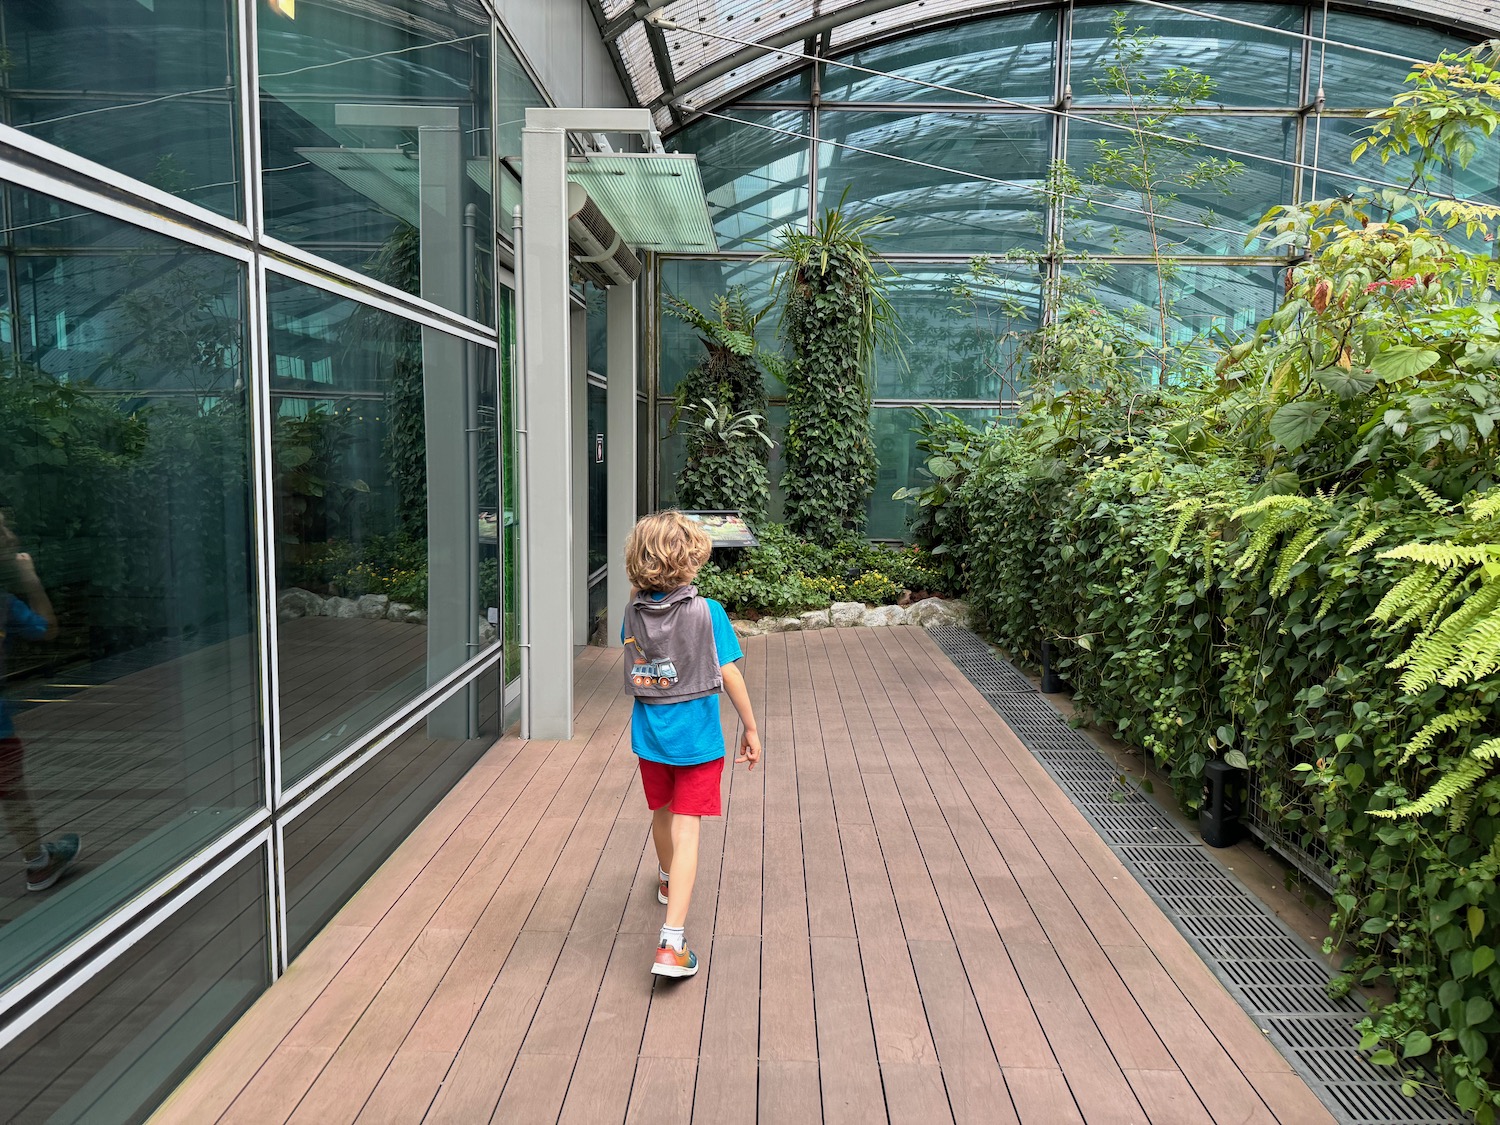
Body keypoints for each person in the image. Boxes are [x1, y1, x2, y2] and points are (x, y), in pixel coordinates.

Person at [622, 510, 760, 979]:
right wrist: (751, 727)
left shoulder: (632, 611)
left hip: (650, 736)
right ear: (690, 561)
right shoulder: (708, 612)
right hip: (699, 742)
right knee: (688, 830)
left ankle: (666, 877)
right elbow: (729, 671)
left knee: (662, 813)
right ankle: (672, 943)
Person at [0, 514, 81, 892]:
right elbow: (46, 630)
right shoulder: (5, 604)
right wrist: (32, 582)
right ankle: (38, 863)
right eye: (2, 529)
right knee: (12, 793)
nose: (12, 534)